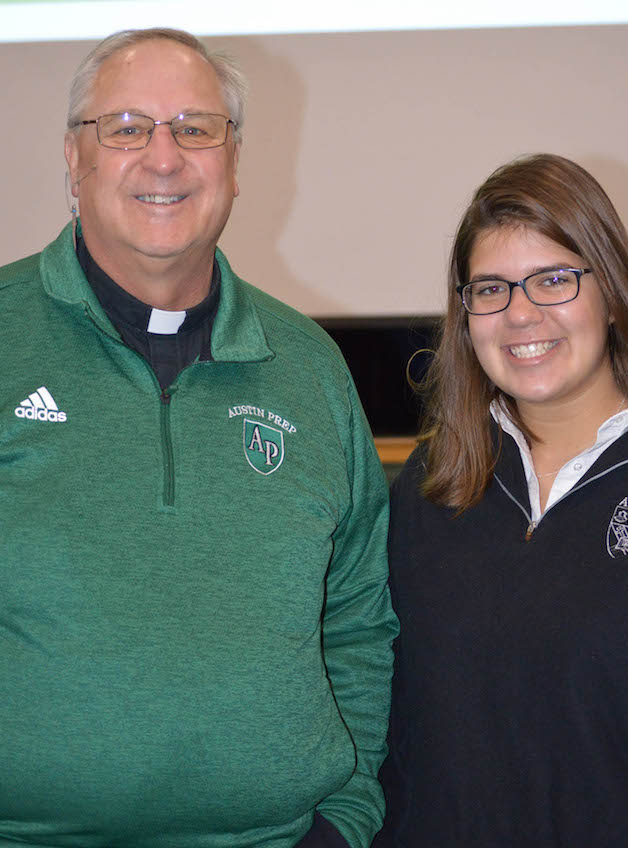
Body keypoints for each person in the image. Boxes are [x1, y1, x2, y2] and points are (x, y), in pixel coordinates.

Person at [0, 28, 397, 847]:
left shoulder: (310, 367)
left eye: (195, 127)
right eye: (126, 128)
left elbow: (357, 613)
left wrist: (346, 813)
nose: (164, 157)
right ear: (74, 159)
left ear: (235, 163)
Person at [375, 154, 628, 847]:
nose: (521, 314)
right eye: (490, 289)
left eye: (554, 279)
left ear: (611, 293)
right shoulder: (433, 480)